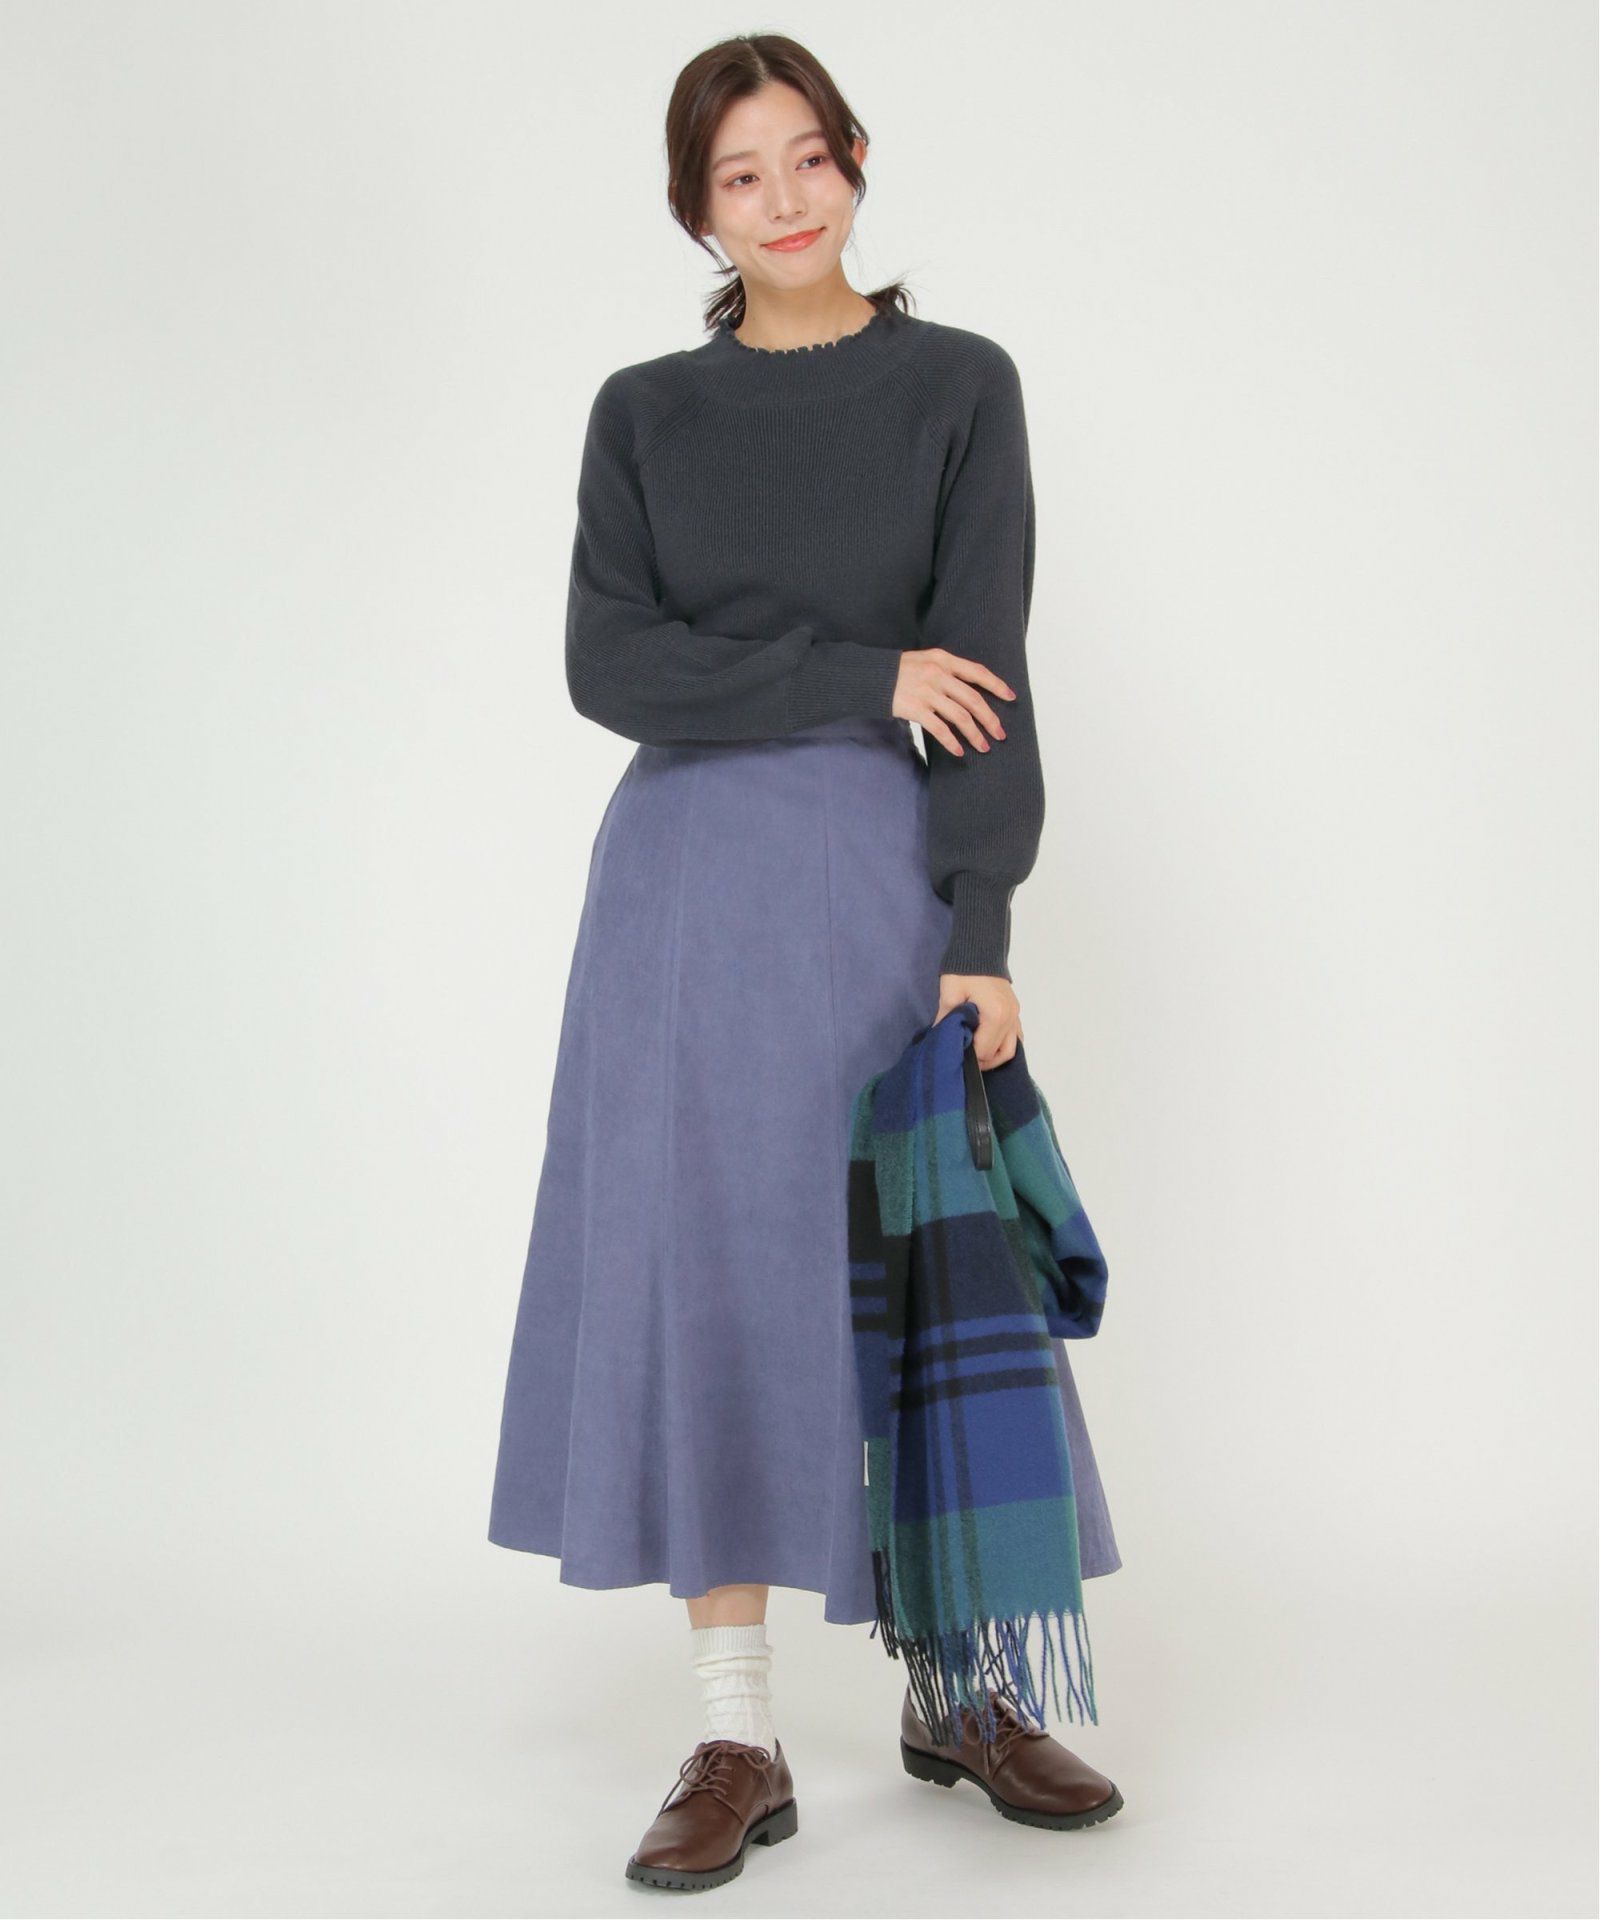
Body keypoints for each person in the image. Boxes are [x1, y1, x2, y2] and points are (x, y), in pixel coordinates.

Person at [487, 31, 1124, 1892]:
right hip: (683, 896)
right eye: (737, 175)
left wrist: (982, 927)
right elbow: (613, 665)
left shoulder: (958, 387)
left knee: (928, 1271)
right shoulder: (645, 415)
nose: (782, 201)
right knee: (712, 1282)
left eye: (806, 158)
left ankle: (962, 1685)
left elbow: (984, 670)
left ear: (856, 159)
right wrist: (857, 673)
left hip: (877, 883)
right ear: (696, 210)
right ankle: (734, 1728)